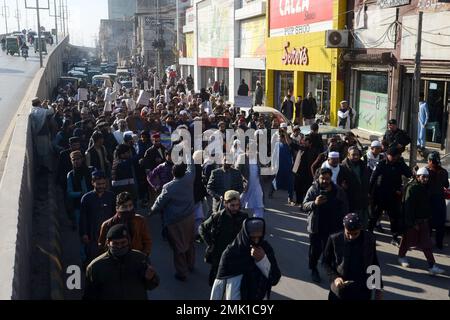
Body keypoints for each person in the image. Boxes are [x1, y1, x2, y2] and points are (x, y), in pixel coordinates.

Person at [210, 218, 281, 300]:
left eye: (259, 237)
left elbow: (274, 279)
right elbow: (219, 286)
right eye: (252, 238)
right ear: (245, 235)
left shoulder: (266, 249)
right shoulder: (231, 253)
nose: (256, 241)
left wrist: (262, 260)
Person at [84, 224, 159, 300]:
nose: (119, 246)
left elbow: (151, 285)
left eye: (123, 243)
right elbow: (89, 295)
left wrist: (150, 278)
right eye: (115, 243)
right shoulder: (96, 266)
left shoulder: (140, 259)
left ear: (128, 241)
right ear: (108, 243)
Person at [150, 160, 196, 281]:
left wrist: (152, 211)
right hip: (190, 216)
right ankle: (191, 264)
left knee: (179, 247)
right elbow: (192, 167)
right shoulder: (189, 178)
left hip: (175, 221)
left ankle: (182, 272)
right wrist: (188, 153)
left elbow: (159, 203)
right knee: (190, 242)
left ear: (173, 173)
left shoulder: (169, 187)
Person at [302, 168, 349, 283]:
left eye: (327, 178)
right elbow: (303, 206)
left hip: (334, 227)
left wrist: (344, 223)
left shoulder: (338, 190)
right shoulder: (313, 189)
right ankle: (313, 269)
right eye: (322, 178)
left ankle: (333, 273)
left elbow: (345, 207)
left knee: (331, 252)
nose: (324, 181)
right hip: (317, 227)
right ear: (318, 178)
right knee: (315, 251)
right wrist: (314, 203)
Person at [323, 213, 383, 300]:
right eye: (348, 233)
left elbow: (374, 263)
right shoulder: (334, 239)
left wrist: (379, 288)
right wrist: (335, 278)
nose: (351, 237)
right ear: (344, 228)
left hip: (362, 288)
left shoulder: (369, 239)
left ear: (360, 229)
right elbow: (325, 262)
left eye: (355, 234)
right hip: (340, 287)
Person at [398, 168, 445, 275]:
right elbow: (408, 207)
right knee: (406, 240)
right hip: (413, 221)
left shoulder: (426, 187)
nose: (425, 179)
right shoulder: (412, 188)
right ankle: (401, 256)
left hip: (423, 221)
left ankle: (432, 265)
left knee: (426, 244)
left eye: (427, 177)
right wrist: (412, 223)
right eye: (423, 177)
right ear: (418, 177)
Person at [200, 190, 249, 286]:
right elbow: (202, 228)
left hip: (236, 255)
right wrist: (211, 243)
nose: (235, 208)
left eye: (237, 205)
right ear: (225, 204)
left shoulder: (244, 217)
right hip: (219, 255)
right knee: (216, 282)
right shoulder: (218, 217)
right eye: (232, 205)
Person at [368, 146, 412, 246]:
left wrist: (404, 165)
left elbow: (408, 174)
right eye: (393, 156)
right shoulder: (381, 164)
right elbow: (373, 179)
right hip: (380, 195)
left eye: (397, 156)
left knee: (394, 217)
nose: (395, 158)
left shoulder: (399, 164)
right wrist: (369, 192)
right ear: (388, 155)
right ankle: (369, 235)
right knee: (374, 216)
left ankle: (395, 237)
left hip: (393, 195)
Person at [98, 192, 152, 256]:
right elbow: (101, 246)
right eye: (124, 207)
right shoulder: (107, 225)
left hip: (137, 258)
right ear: (117, 208)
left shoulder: (140, 220)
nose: (128, 209)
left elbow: (147, 241)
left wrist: (143, 256)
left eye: (130, 205)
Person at [79, 170, 115, 265]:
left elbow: (115, 215)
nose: (101, 186)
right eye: (98, 184)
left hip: (108, 234)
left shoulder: (111, 196)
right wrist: (84, 234)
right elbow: (83, 218)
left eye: (103, 184)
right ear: (92, 183)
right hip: (92, 235)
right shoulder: (86, 198)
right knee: (93, 260)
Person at [341, 147, 370, 228]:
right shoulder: (343, 167)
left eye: (357, 155)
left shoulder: (362, 165)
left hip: (362, 199)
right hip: (351, 200)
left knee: (363, 223)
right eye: (353, 155)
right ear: (348, 155)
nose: (356, 157)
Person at [66, 151, 94, 231]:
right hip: (79, 206)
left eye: (78, 159)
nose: (76, 161)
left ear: (82, 159)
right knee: (82, 229)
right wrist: (81, 194)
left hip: (93, 202)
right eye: (73, 160)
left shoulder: (91, 170)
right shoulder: (71, 175)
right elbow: (69, 193)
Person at [426, 152, 449, 250]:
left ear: (431, 161)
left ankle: (426, 242)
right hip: (440, 201)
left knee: (428, 222)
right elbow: (446, 185)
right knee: (440, 224)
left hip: (429, 200)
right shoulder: (443, 172)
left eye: (428, 161)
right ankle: (439, 244)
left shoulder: (427, 171)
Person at [238, 143, 265, 218]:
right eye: (251, 150)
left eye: (254, 150)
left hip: (256, 184)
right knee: (239, 202)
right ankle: (236, 219)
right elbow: (237, 171)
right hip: (246, 185)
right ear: (247, 149)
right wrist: (243, 181)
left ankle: (258, 221)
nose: (253, 152)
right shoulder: (242, 157)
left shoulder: (257, 156)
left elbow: (261, 167)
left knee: (259, 203)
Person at [292, 136, 319, 206]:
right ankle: (299, 202)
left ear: (310, 143)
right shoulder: (302, 149)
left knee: (307, 189)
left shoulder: (315, 151)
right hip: (299, 173)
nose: (304, 144)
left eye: (306, 143)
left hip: (308, 174)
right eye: (304, 142)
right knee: (298, 188)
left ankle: (306, 203)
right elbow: (291, 144)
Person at [30, 97, 54, 171]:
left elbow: (40, 111)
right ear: (39, 103)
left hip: (37, 135)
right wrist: (49, 104)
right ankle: (47, 168)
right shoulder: (41, 111)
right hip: (43, 135)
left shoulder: (32, 110)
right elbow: (51, 111)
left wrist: (43, 105)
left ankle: (41, 167)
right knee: (46, 153)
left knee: (39, 152)